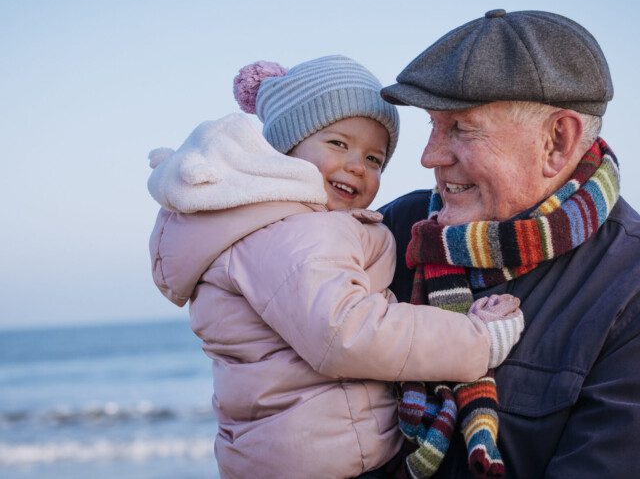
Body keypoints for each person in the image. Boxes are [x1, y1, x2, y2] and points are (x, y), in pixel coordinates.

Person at [146, 55, 524, 478]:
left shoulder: (264, 223)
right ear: (285, 149)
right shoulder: (292, 233)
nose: (356, 166)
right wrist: (477, 340)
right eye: (338, 144)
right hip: (320, 461)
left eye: (374, 159)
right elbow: (347, 333)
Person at [379, 9, 640, 478]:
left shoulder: (630, 286)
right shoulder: (398, 229)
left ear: (557, 142)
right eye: (431, 126)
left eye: (459, 128)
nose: (428, 156)